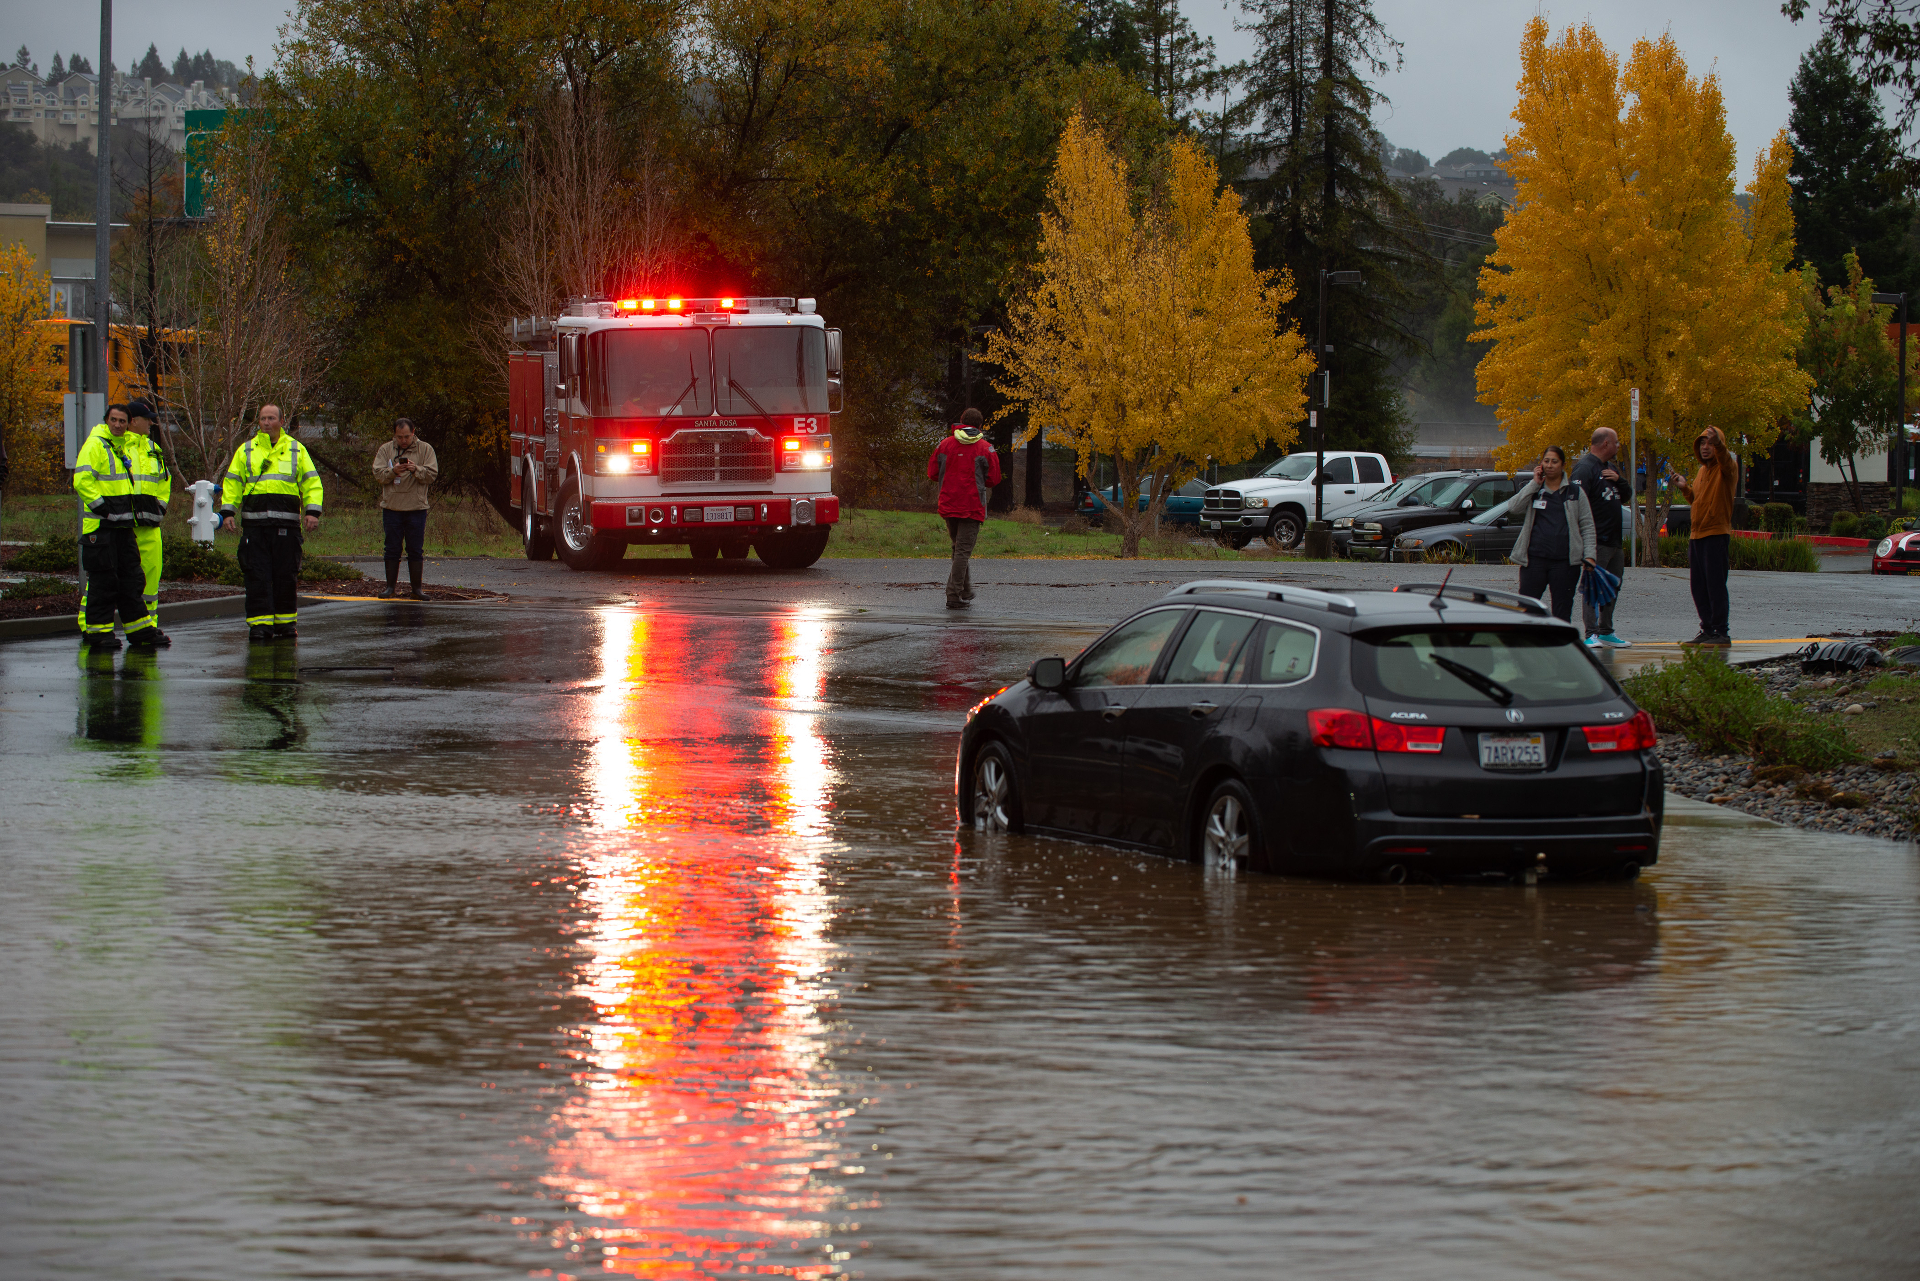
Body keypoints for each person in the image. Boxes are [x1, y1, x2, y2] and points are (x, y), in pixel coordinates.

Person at [219, 405, 324, 642]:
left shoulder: (296, 449)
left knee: (286, 575)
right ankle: (260, 625)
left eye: (271, 418)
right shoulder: (246, 450)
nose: (267, 422)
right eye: (263, 418)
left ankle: (286, 624)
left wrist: (312, 512)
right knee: (257, 576)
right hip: (254, 527)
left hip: (287, 525)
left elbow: (311, 482)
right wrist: (227, 512)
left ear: (281, 420)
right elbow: (233, 482)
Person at [72, 404, 154, 650]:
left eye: (122, 421)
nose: (117, 424)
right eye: (113, 420)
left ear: (128, 423)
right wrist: (102, 508)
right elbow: (82, 480)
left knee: (131, 578)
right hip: (101, 527)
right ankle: (98, 633)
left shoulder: (123, 447)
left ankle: (140, 631)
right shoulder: (96, 445)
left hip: (123, 526)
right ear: (106, 420)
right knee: (104, 582)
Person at [1504, 444, 1596, 622]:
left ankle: (1559, 647)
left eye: (1554, 461)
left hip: (1565, 563)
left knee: (1562, 611)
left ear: (1562, 465)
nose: (1550, 465)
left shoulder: (1575, 492)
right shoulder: (1535, 490)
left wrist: (1590, 555)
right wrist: (1534, 483)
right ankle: (1526, 646)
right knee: (1527, 609)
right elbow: (1513, 507)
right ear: (1541, 464)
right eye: (1546, 461)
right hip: (1534, 561)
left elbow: (1587, 526)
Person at [927, 408, 1000, 609]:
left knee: (958, 549)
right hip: (972, 506)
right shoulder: (985, 448)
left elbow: (932, 473)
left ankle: (965, 590)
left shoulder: (944, 445)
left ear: (961, 421)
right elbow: (994, 479)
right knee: (962, 552)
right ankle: (953, 593)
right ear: (980, 426)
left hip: (948, 504)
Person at [1677, 425, 1737, 645]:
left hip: (1716, 535)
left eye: (1710, 443)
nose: (1705, 447)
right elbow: (1698, 501)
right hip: (1697, 536)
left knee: (1715, 585)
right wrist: (1685, 489)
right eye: (1702, 443)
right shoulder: (1701, 472)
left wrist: (1719, 445)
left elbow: (1727, 460)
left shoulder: (1727, 469)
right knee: (1698, 587)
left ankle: (1721, 632)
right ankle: (1707, 629)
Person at [1571, 426, 1629, 648]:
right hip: (1596, 541)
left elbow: (1627, 495)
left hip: (1615, 542)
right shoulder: (1584, 469)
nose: (1618, 446)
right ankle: (1591, 633)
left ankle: (1606, 631)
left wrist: (1619, 481)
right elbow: (1575, 504)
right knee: (1592, 586)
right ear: (1605, 443)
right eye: (1615, 442)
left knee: (1613, 585)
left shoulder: (1611, 468)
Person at [123, 400, 173, 647]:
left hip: (150, 525)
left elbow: (165, 482)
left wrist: (159, 509)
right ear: (134, 421)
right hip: (124, 526)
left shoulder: (153, 448)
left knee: (151, 580)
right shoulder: (117, 447)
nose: (152, 423)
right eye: (148, 419)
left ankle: (147, 627)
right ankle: (93, 628)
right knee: (112, 580)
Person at [371, 417, 439, 599]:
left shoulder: (425, 449)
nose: (403, 440)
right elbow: (377, 473)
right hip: (392, 507)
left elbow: (432, 474)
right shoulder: (386, 449)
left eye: (407, 436)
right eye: (400, 437)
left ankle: (417, 589)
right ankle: (390, 588)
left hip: (416, 508)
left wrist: (415, 469)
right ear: (394, 434)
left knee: (415, 549)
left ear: (413, 432)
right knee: (391, 548)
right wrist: (393, 471)